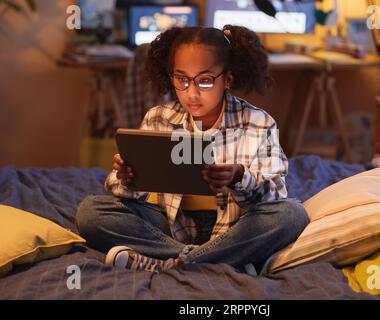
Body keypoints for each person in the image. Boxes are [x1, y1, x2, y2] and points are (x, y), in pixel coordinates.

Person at [76, 25, 309, 275]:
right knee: (90, 212)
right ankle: (216, 260)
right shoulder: (159, 118)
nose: (192, 92)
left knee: (292, 214)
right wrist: (127, 180)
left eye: (205, 80)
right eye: (182, 79)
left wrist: (240, 177)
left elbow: (276, 194)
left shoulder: (258, 123)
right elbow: (126, 193)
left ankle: (166, 262)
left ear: (227, 79)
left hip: (236, 227)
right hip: (169, 225)